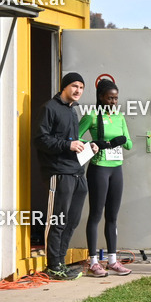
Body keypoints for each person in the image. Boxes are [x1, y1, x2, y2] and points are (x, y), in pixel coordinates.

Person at [34, 72, 90, 281]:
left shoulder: (72, 111)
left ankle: (61, 262)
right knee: (57, 220)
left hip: (77, 172)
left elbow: (70, 141)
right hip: (58, 173)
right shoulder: (50, 108)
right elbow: (40, 140)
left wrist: (84, 147)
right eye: (74, 86)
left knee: (72, 221)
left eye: (81, 87)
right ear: (64, 87)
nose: (78, 91)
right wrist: (68, 144)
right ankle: (53, 266)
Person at [78, 77, 133, 277]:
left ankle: (112, 260)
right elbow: (74, 136)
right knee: (95, 215)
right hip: (99, 168)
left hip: (116, 169)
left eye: (116, 98)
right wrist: (91, 144)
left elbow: (128, 144)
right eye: (109, 98)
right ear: (101, 97)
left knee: (113, 216)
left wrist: (113, 142)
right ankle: (93, 261)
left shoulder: (119, 117)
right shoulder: (92, 116)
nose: (113, 102)